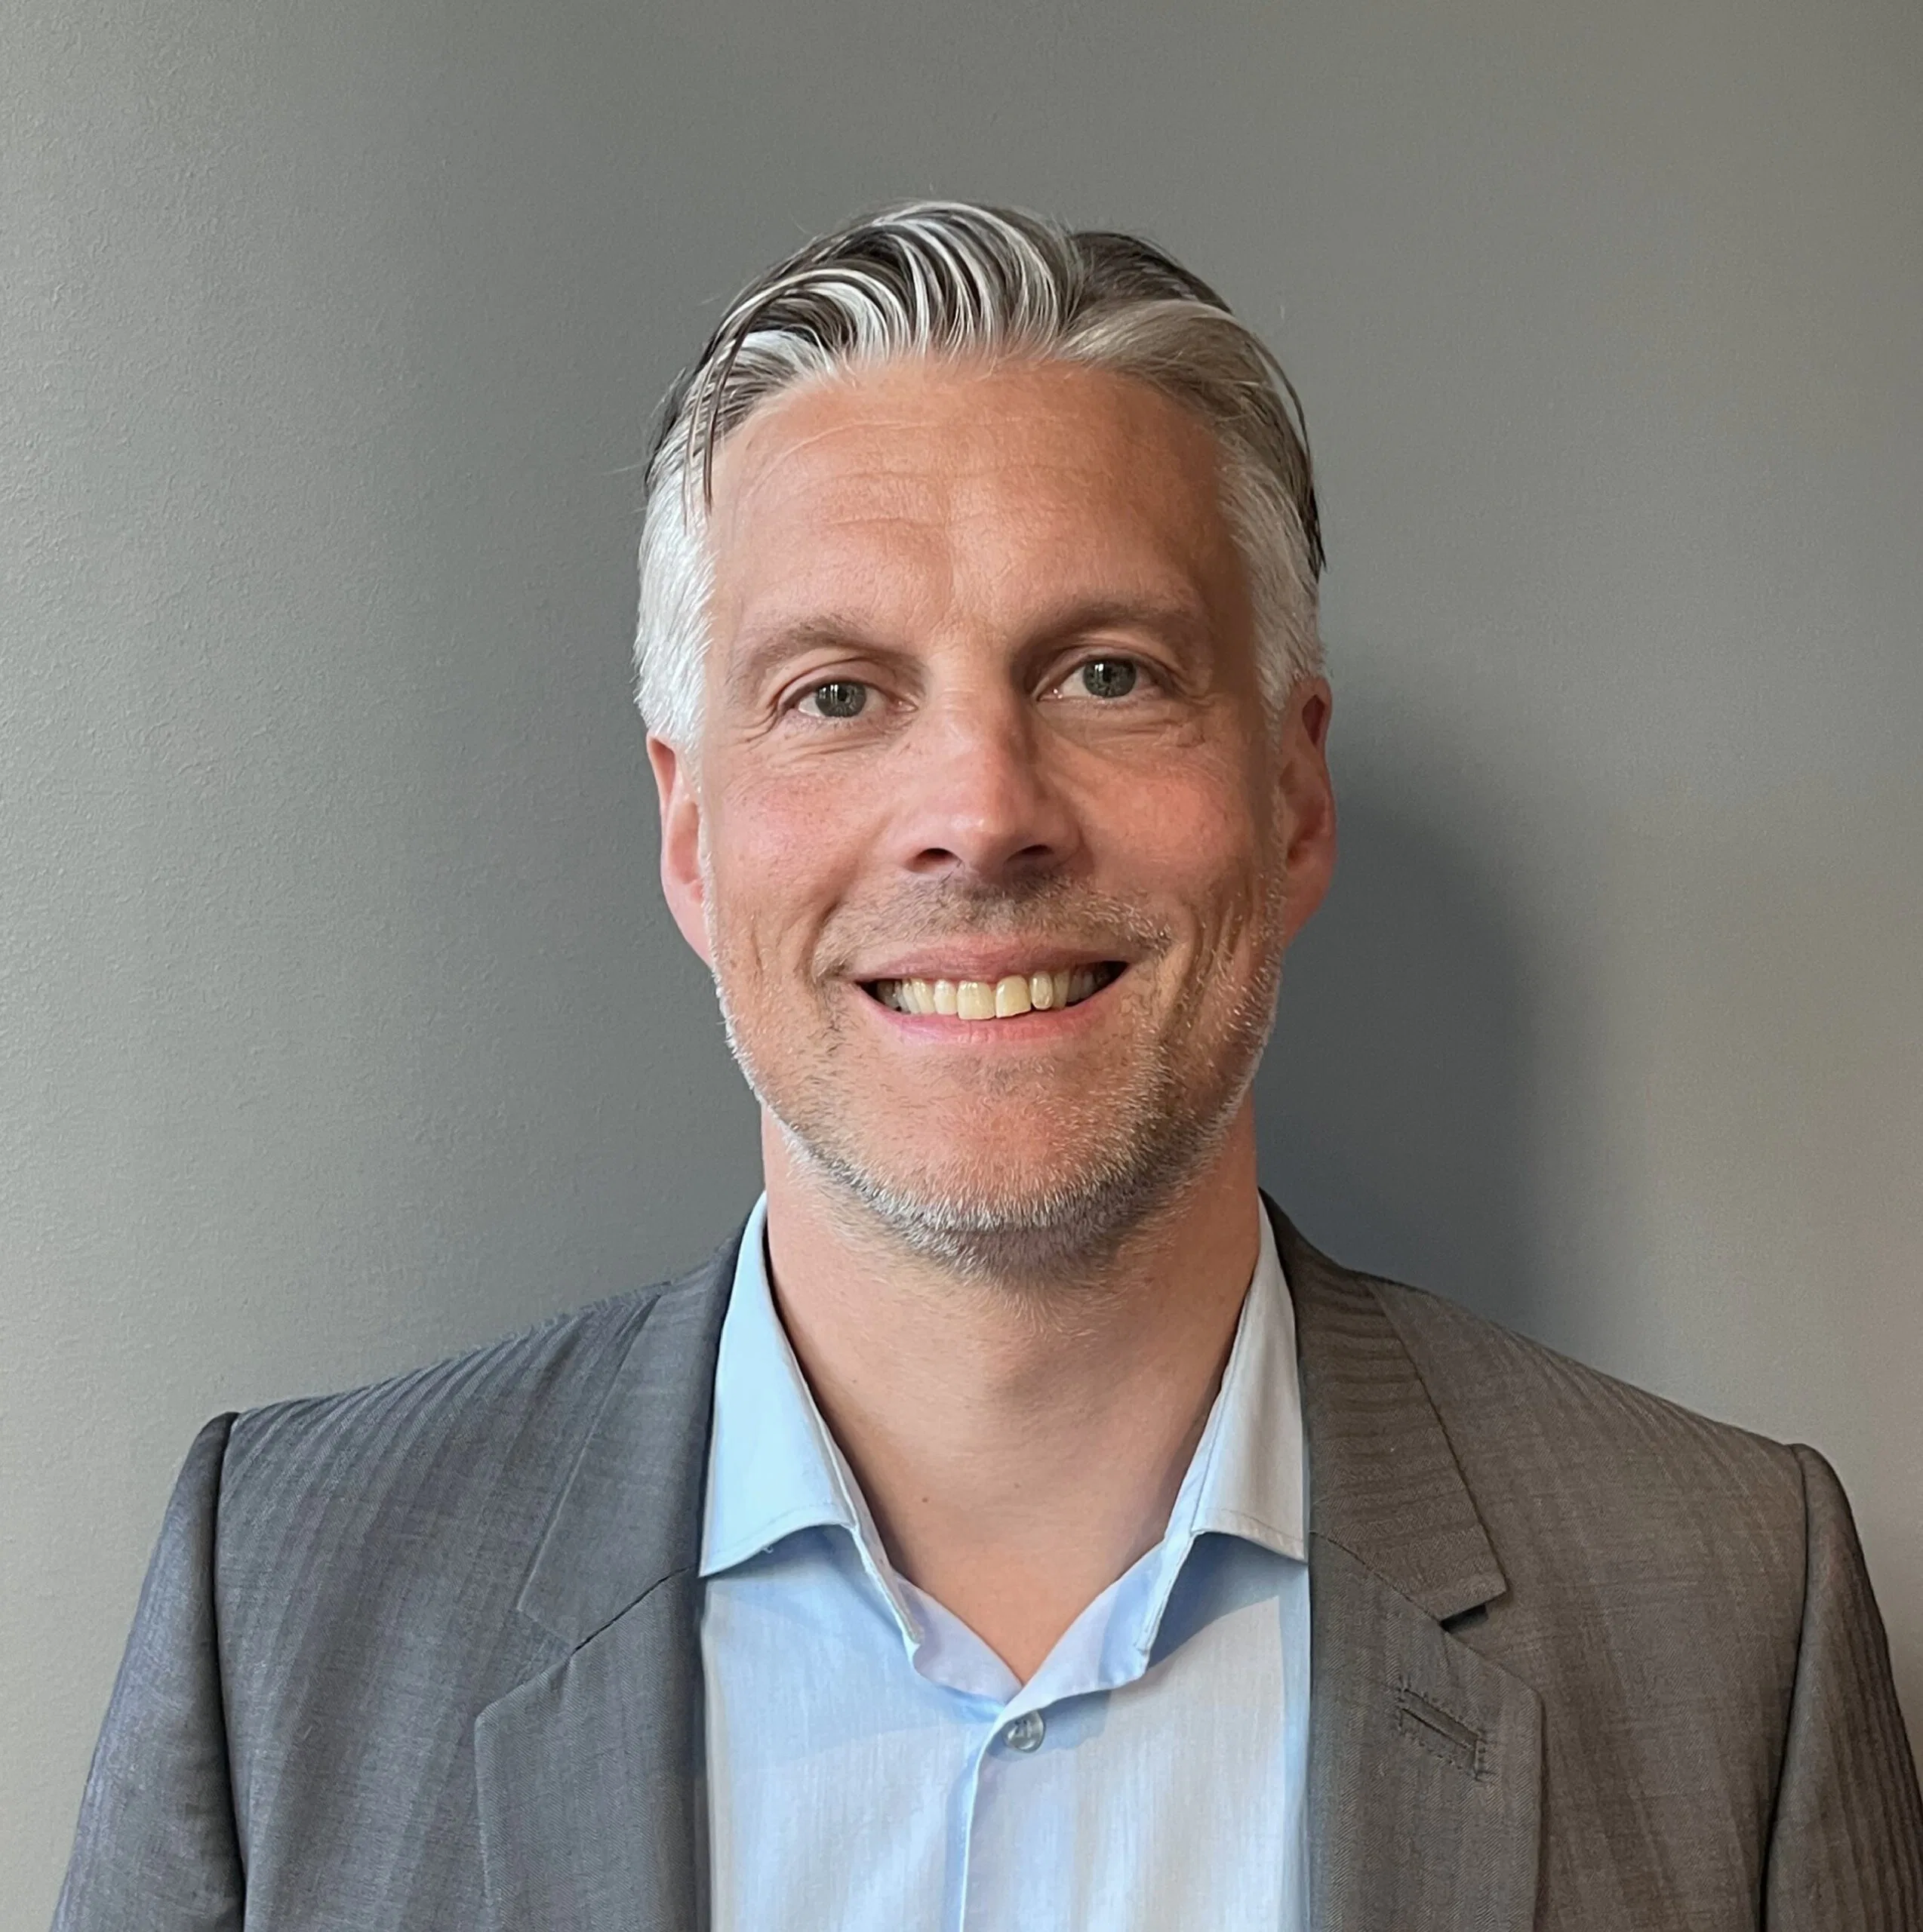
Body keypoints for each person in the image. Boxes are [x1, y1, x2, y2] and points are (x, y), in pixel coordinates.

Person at [54, 201, 1923, 1931]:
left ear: (1290, 796)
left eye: (1106, 672)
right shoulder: (283, 1601)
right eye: (837, 693)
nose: (979, 809)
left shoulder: (1725, 1610)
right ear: (691, 835)